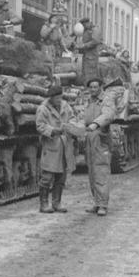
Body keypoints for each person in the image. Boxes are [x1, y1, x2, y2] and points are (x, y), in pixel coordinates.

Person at [35, 83, 76, 214]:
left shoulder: (66, 106)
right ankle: (44, 204)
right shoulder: (43, 109)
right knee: (47, 177)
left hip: (64, 146)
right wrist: (53, 130)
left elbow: (73, 118)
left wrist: (72, 127)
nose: (59, 100)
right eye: (57, 98)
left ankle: (57, 203)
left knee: (61, 177)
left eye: (60, 97)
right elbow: (40, 125)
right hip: (51, 145)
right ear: (51, 98)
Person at [83, 77, 116, 216]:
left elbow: (108, 115)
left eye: (95, 87)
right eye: (91, 87)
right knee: (92, 171)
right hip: (90, 137)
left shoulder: (106, 100)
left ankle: (103, 204)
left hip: (101, 136)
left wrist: (96, 124)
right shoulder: (89, 100)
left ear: (101, 87)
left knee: (101, 170)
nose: (93, 89)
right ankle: (97, 202)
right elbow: (82, 115)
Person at [77, 17, 102, 85]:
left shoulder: (95, 29)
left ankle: (90, 89)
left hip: (92, 57)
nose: (84, 27)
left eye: (84, 25)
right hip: (86, 56)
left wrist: (84, 45)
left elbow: (95, 41)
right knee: (85, 75)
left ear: (88, 23)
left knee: (91, 75)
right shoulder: (86, 30)